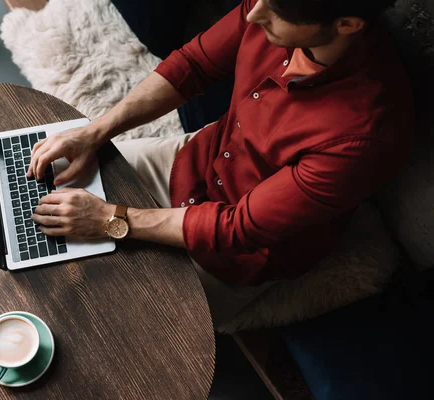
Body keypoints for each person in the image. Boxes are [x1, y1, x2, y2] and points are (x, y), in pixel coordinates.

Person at [26, 0, 415, 327]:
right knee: (43, 193)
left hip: (238, 251)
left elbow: (238, 227)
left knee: (101, 319)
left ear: (347, 24)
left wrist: (111, 219)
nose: (253, 14)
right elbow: (192, 65)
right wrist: (95, 132)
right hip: (198, 158)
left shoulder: (364, 137)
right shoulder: (274, 7)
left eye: (275, 12)